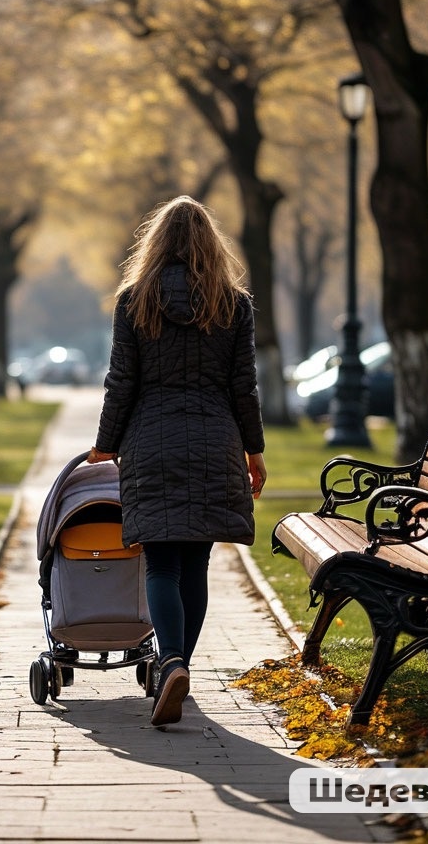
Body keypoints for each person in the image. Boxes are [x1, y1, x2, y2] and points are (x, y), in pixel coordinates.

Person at [87, 195, 267, 728]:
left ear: (155, 243)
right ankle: (178, 667)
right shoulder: (234, 305)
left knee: (161, 563)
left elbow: (122, 382)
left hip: (151, 440)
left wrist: (105, 445)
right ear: (212, 243)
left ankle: (172, 664)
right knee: (197, 564)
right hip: (216, 440)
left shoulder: (134, 302)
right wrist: (253, 451)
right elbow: (244, 387)